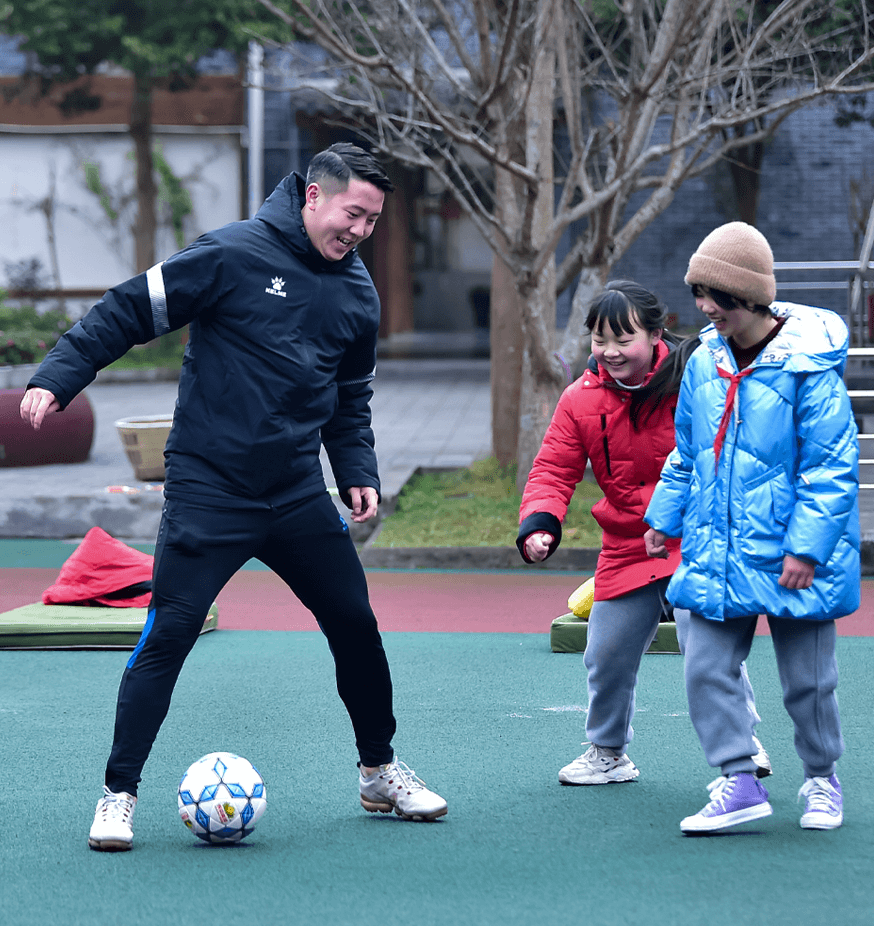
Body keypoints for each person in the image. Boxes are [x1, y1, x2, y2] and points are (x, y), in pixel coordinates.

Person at [20, 142, 448, 851]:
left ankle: (379, 771)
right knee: (169, 634)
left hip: (295, 493)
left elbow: (349, 397)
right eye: (353, 214)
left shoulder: (357, 291)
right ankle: (118, 796)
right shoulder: (231, 254)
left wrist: (357, 469)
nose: (360, 231)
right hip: (210, 489)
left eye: (373, 221)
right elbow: (128, 309)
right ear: (313, 195)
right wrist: (59, 374)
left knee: (355, 624)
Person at [644, 222, 860, 834]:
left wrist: (807, 549)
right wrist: (663, 515)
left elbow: (831, 466)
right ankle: (739, 779)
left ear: (753, 297)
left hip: (794, 554)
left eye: (718, 297)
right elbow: (688, 450)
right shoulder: (703, 361)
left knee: (808, 683)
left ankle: (821, 778)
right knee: (705, 666)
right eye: (699, 293)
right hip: (720, 546)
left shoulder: (809, 367)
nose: (705, 308)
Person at [516, 280, 768, 786]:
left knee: (708, 648)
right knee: (605, 652)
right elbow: (554, 469)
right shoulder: (579, 399)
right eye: (599, 340)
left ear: (656, 334)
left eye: (623, 339)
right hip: (627, 543)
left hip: (695, 538)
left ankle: (742, 743)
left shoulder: (696, 379)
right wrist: (540, 523)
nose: (610, 351)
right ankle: (608, 753)